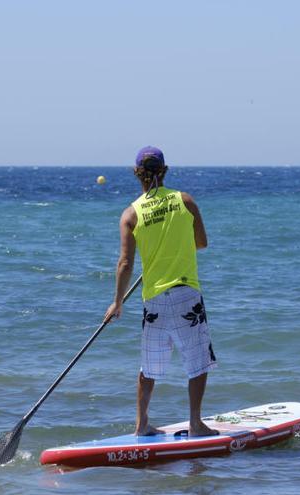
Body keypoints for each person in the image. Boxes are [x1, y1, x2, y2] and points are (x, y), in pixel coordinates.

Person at [103, 146, 219, 437]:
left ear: (136, 174)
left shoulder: (130, 214)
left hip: (152, 299)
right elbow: (201, 243)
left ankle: (141, 424)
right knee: (197, 361)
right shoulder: (186, 201)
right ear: (164, 170)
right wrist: (175, 246)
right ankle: (195, 423)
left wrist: (117, 302)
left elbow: (125, 262)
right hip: (185, 293)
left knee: (149, 366)